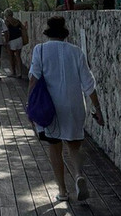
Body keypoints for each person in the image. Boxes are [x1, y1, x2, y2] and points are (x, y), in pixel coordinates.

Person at [29, 15, 104, 203]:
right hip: (75, 104)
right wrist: (98, 108)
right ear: (64, 33)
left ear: (47, 32)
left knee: (54, 147)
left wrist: (30, 105)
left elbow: (34, 78)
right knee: (74, 144)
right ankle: (78, 175)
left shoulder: (40, 50)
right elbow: (89, 83)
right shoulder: (76, 51)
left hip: (51, 107)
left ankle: (63, 191)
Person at [5, 10, 27, 78]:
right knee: (18, 56)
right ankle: (20, 73)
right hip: (19, 39)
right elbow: (24, 28)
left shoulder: (7, 22)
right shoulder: (17, 21)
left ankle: (13, 72)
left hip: (11, 40)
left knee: (11, 57)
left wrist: (6, 41)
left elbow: (6, 32)